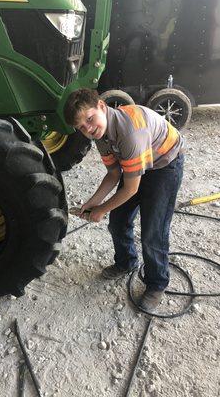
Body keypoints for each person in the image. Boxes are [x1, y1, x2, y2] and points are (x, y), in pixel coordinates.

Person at [63, 88, 184, 312]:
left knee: (152, 231)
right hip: (138, 164)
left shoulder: (129, 132)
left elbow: (130, 189)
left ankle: (157, 283)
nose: (88, 129)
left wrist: (101, 210)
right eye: (81, 127)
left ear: (101, 106)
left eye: (89, 119)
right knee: (118, 221)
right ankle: (127, 262)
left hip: (165, 164)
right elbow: (113, 174)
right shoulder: (100, 133)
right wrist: (93, 202)